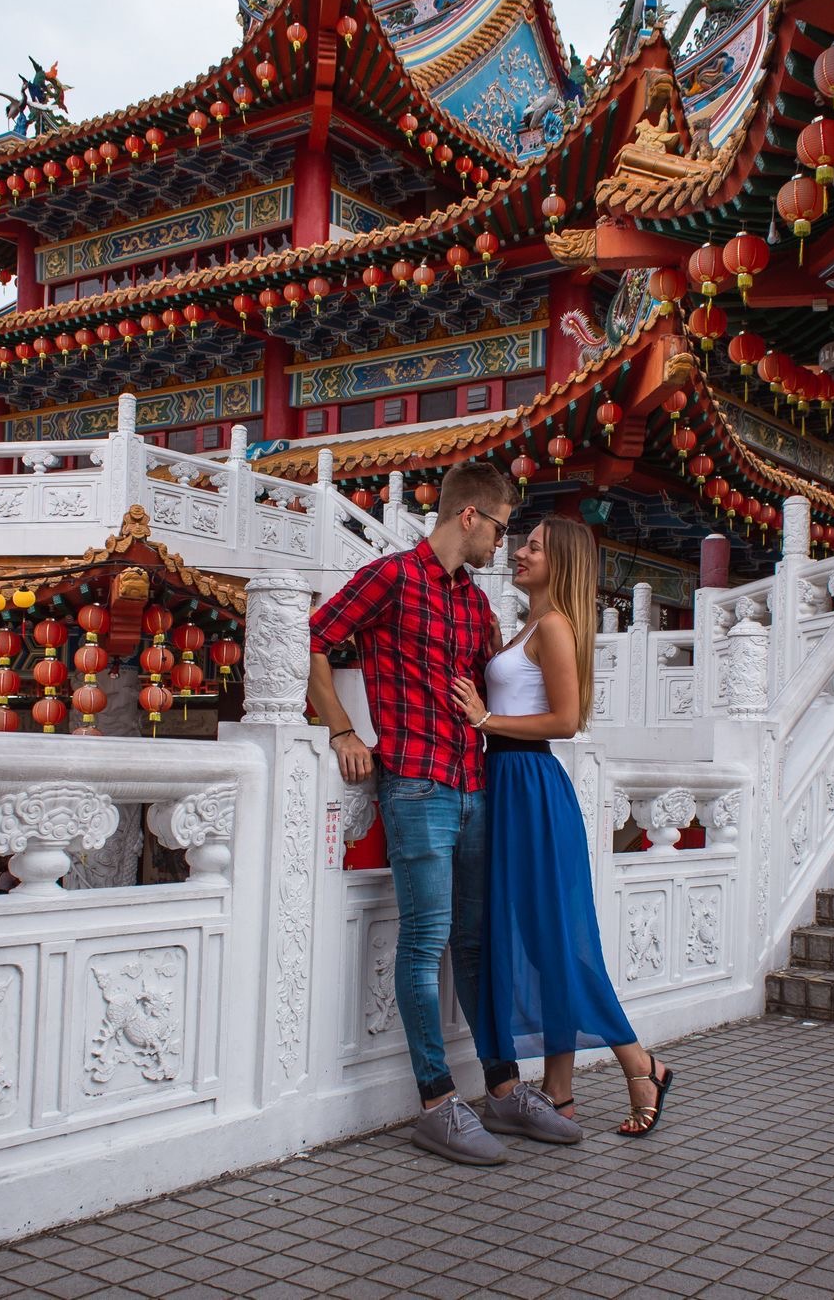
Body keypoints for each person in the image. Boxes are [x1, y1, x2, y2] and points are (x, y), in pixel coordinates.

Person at [308, 461, 581, 1165]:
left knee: (477, 943)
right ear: (470, 516)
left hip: (476, 784)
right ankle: (436, 1102)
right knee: (426, 941)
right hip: (416, 785)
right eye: (500, 528)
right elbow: (313, 639)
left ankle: (502, 1089)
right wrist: (342, 729)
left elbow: (507, 686)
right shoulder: (391, 577)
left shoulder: (476, 603)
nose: (503, 544)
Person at [451, 515, 673, 1137]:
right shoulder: (530, 623)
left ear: (562, 564)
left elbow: (566, 720)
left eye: (535, 548)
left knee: (555, 938)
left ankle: (641, 1064)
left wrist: (485, 720)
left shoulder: (553, 626)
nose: (519, 553)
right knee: (540, 936)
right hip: (507, 781)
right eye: (523, 543)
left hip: (529, 782)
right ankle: (560, 1091)